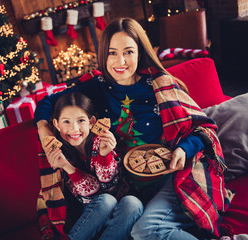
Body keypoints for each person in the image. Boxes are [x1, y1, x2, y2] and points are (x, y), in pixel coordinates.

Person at [35, 17, 234, 239]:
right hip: (131, 188)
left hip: (173, 176)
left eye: (128, 52)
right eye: (112, 53)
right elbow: (47, 102)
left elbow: (204, 127)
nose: (120, 61)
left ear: (140, 52)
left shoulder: (161, 86)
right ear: (104, 55)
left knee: (146, 231)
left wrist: (183, 149)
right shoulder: (97, 88)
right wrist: (44, 130)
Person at [37, 92, 143, 240]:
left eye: (81, 120)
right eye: (66, 122)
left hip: (120, 207)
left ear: (92, 122)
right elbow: (91, 198)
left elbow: (111, 187)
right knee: (106, 201)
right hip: (88, 212)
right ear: (56, 124)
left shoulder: (102, 140)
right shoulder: (58, 152)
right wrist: (67, 166)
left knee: (133, 203)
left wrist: (104, 155)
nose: (74, 129)